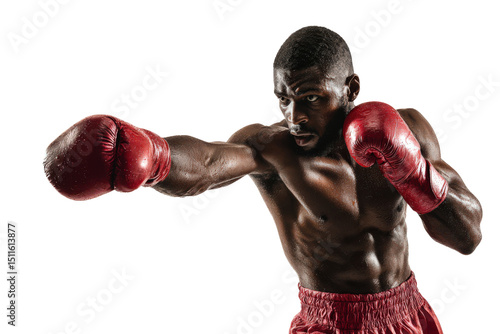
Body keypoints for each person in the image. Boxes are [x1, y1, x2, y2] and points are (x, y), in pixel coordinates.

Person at [43, 26, 482, 333]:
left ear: (350, 89)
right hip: (328, 323)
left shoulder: (408, 130)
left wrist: (413, 172)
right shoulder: (274, 151)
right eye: (284, 100)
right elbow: (210, 164)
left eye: (311, 98)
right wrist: (152, 155)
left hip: (407, 315)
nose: (295, 117)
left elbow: (468, 236)